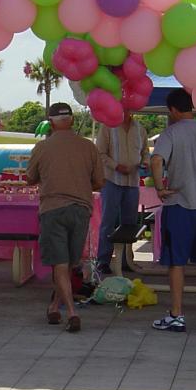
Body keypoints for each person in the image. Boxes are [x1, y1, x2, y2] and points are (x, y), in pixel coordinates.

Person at [149, 89, 196, 333]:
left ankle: (177, 314)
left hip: (179, 204)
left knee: (176, 262)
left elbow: (156, 159)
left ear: (172, 110)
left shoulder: (170, 133)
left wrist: (160, 187)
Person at [25, 102, 103, 332]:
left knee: (60, 264)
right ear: (70, 120)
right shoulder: (88, 147)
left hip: (52, 208)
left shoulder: (42, 147)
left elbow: (30, 178)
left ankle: (71, 311)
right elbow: (100, 182)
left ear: (50, 123)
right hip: (80, 209)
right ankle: (53, 306)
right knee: (69, 262)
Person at [94, 108, 149, 275]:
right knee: (108, 221)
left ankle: (126, 260)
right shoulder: (107, 127)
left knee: (130, 223)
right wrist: (115, 166)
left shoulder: (140, 128)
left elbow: (145, 151)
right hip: (111, 180)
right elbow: (100, 153)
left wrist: (145, 162)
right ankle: (103, 260)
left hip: (132, 181)